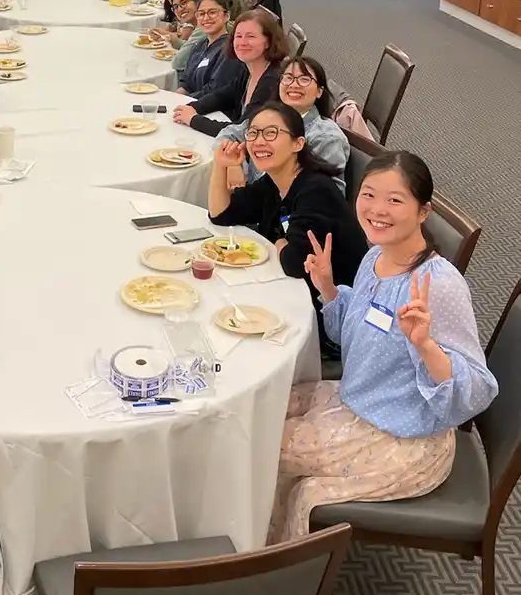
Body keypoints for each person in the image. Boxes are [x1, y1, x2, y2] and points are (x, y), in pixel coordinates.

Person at [269, 151, 498, 543]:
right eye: (369, 195)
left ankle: (276, 566)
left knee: (263, 447)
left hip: (404, 439)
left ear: (423, 211)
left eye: (395, 200)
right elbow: (355, 338)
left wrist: (425, 345)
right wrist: (327, 287)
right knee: (267, 409)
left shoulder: (438, 284)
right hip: (356, 401)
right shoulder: (375, 256)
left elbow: (477, 389)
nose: (377, 210)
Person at [209, 102, 368, 362]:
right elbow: (221, 215)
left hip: (330, 324)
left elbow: (294, 263)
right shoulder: (275, 181)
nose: (259, 141)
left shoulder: (315, 191)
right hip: (293, 293)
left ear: (298, 143)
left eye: (271, 133)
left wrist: (282, 244)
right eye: (253, 133)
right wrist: (221, 166)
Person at [216, 56, 350, 193]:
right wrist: (235, 165)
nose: (294, 85)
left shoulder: (327, 138)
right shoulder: (267, 117)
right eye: (288, 78)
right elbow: (227, 134)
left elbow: (328, 197)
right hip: (252, 202)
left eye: (304, 79)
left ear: (319, 91)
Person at [174, 9, 288, 136]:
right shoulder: (249, 69)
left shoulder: (272, 81)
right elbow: (223, 96)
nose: (242, 43)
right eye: (238, 36)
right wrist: (193, 107)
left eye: (251, 36)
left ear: (268, 42)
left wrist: (193, 119)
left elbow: (243, 131)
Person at [176, 0, 242, 99]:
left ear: (227, 16)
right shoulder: (200, 45)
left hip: (213, 110)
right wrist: (176, 97)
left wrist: (185, 100)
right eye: (201, 14)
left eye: (212, 12)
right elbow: (186, 81)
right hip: (189, 104)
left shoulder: (230, 49)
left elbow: (215, 90)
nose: (206, 18)